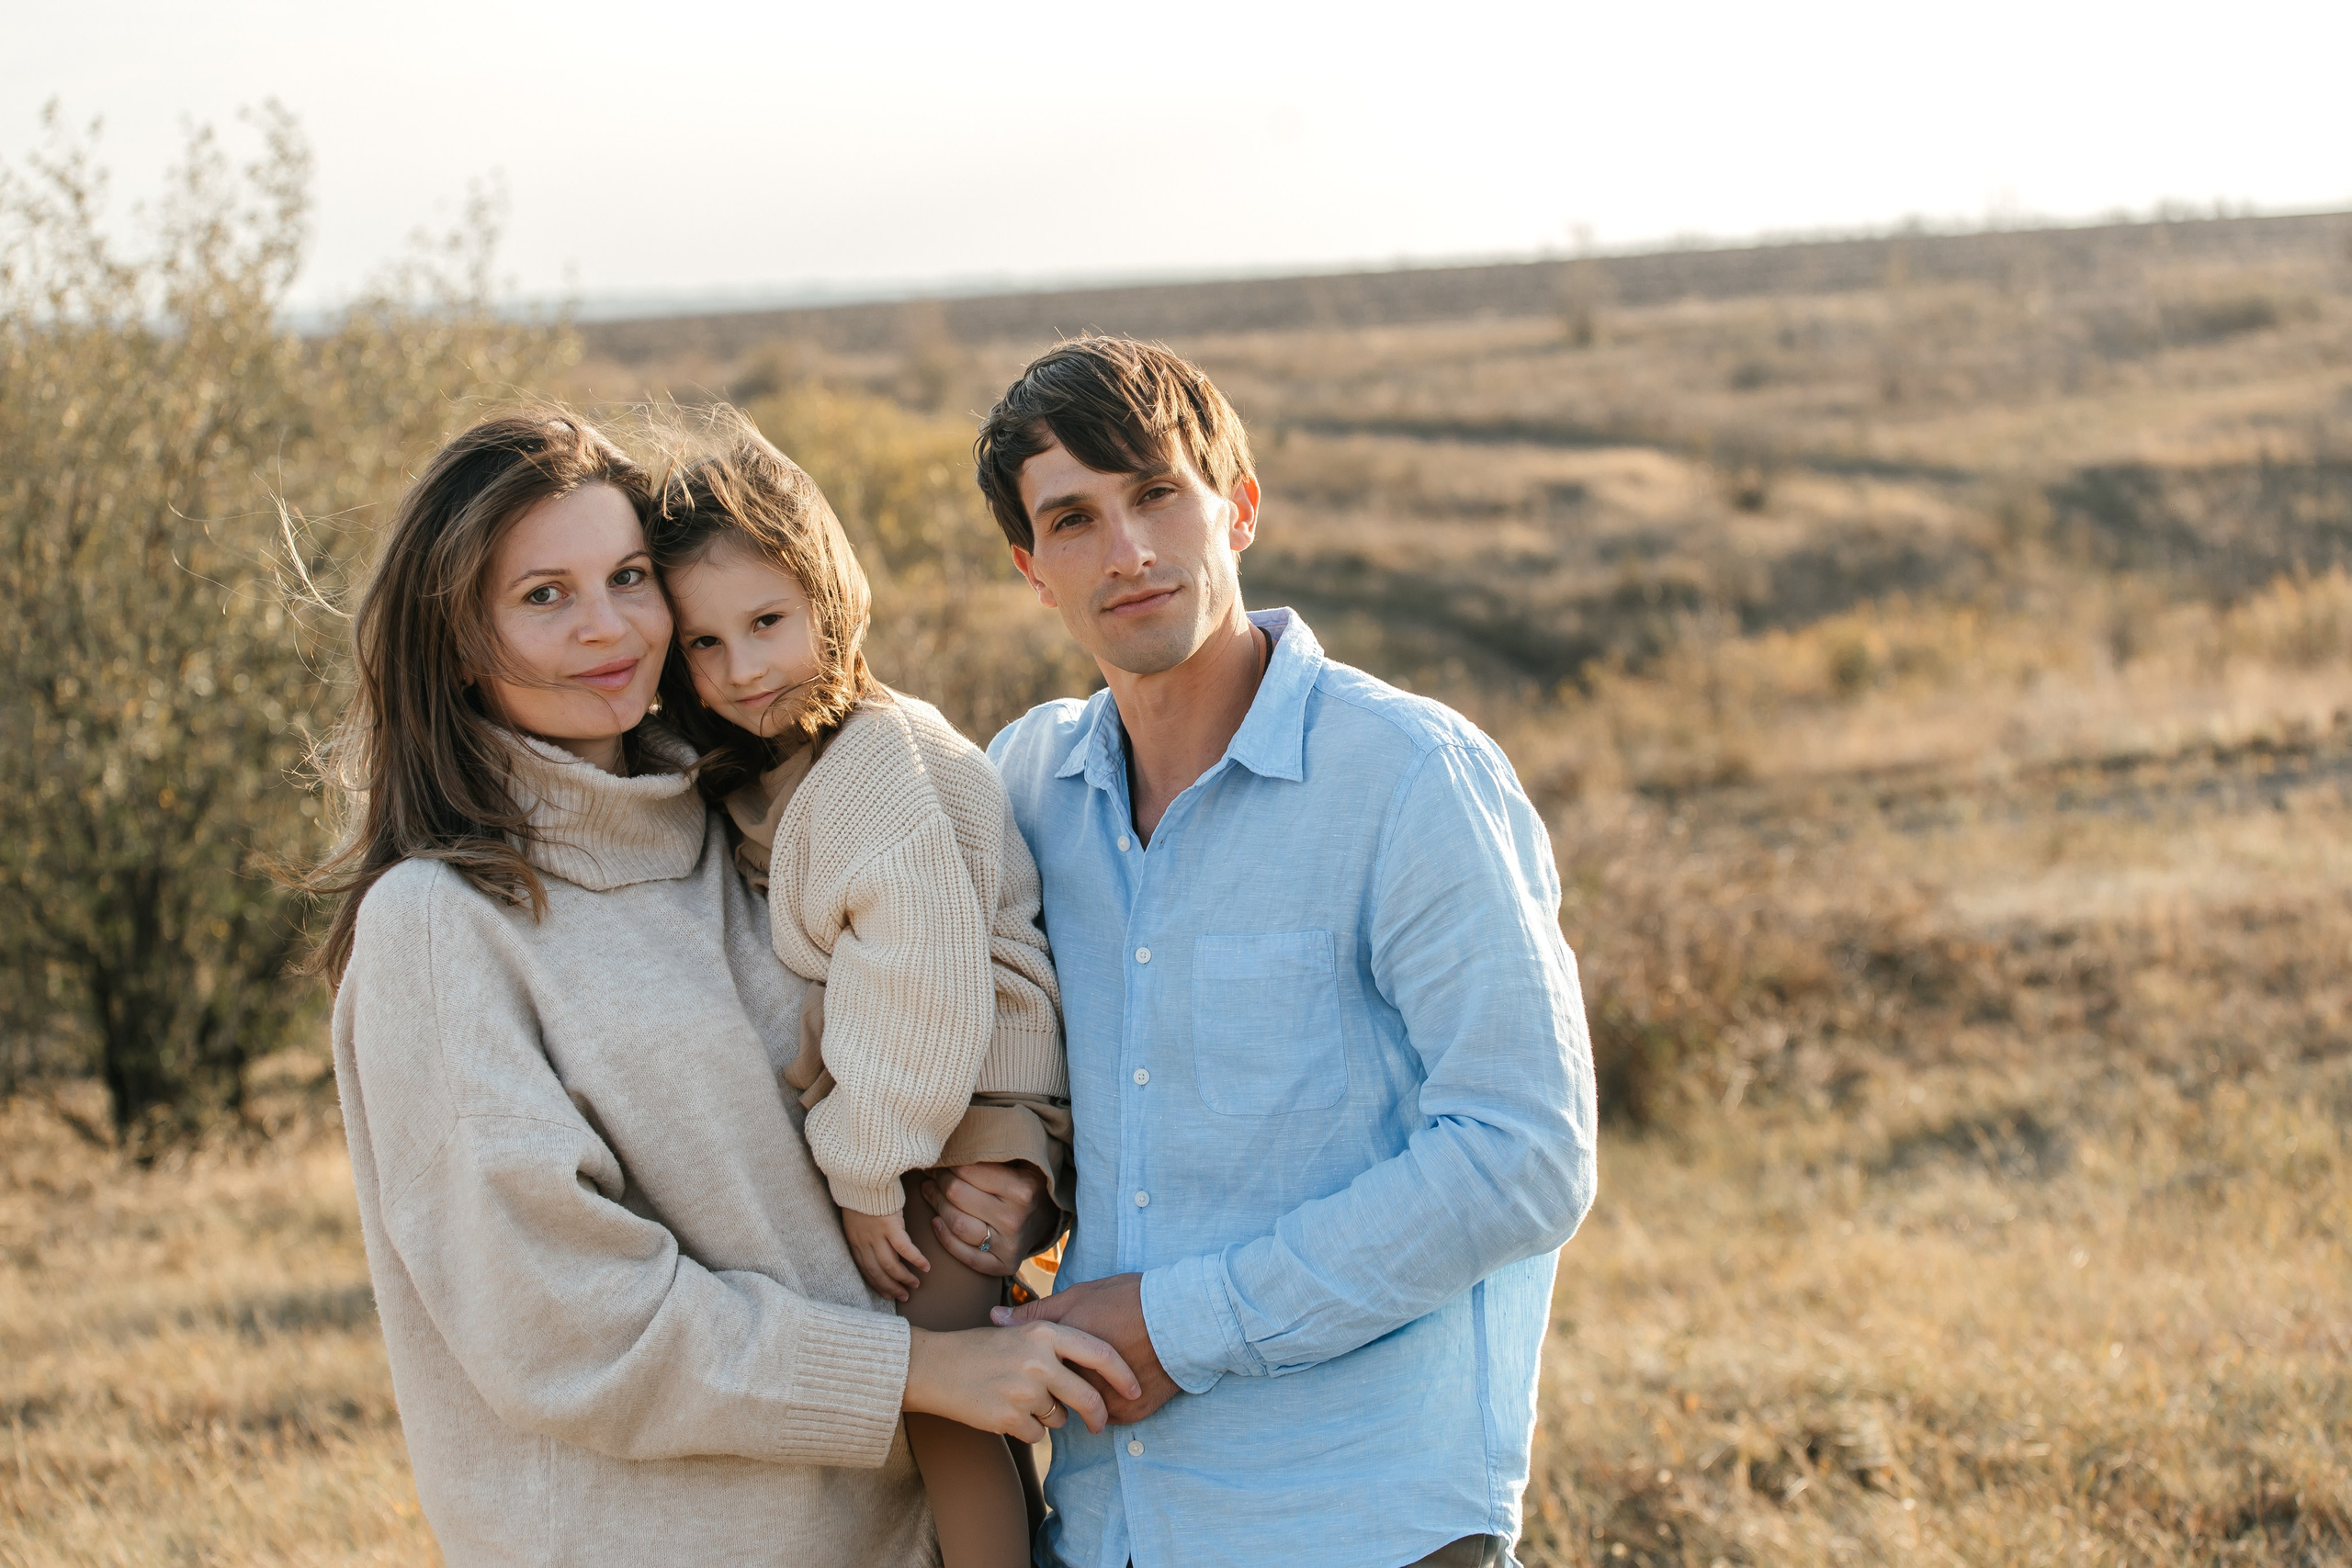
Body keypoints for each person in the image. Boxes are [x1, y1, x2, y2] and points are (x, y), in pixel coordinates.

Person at [310, 410, 1136, 1568]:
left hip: (903, 1535)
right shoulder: (441, 927)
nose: (606, 628)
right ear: (455, 641)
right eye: (544, 595)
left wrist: (1007, 1189)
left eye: (629, 578)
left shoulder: (750, 822)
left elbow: (912, 1036)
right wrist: (921, 1371)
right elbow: (563, 1319)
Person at [975, 339, 1599, 1568]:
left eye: (1157, 494)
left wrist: (1179, 1322)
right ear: (1033, 569)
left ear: (1239, 507)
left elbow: (1524, 1154)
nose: (1128, 551)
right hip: (1107, 1524)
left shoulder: (1409, 777)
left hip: (1358, 1521)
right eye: (1074, 518)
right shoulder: (1024, 784)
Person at [648, 412, 1071, 1568]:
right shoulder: (797, 766)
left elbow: (921, 988)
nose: (744, 671)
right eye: (704, 645)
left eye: (769, 623)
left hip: (959, 1116)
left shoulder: (876, 765)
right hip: (932, 1112)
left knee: (948, 1406)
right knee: (937, 1399)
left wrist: (866, 1171)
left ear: (830, 598)